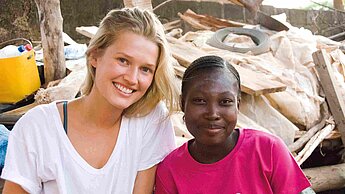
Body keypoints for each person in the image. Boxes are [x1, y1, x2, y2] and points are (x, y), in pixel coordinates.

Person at [2, 7, 179, 194]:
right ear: (95, 56)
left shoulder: (150, 119)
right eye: (123, 61)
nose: (132, 78)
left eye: (145, 69)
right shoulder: (37, 127)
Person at [155, 55, 311, 194]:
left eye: (225, 102)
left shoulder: (267, 150)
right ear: (183, 104)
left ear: (237, 105)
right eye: (200, 101)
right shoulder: (170, 171)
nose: (213, 114)